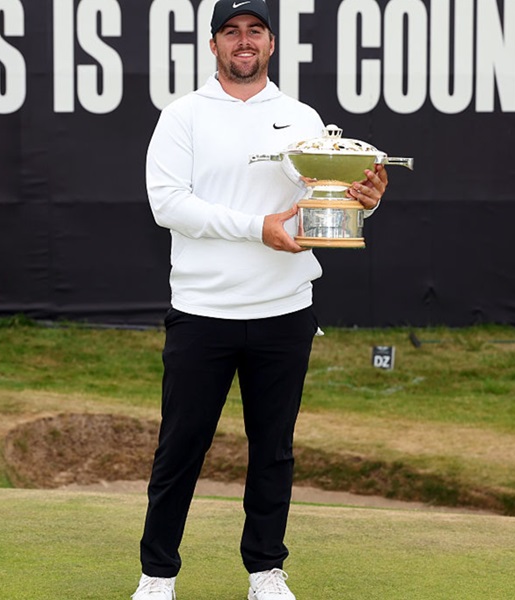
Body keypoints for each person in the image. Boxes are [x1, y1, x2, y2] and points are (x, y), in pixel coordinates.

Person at [133, 1, 388, 599]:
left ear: (270, 44)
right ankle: (156, 575)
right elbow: (168, 204)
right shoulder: (184, 116)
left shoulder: (301, 117)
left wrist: (363, 199)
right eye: (231, 32)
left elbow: (320, 199)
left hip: (283, 310)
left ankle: (266, 572)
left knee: (273, 452)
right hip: (203, 312)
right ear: (214, 44)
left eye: (255, 31)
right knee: (180, 451)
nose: (243, 42)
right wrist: (258, 228)